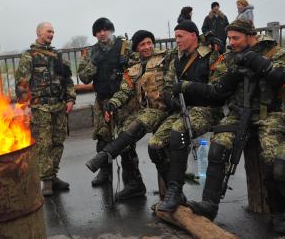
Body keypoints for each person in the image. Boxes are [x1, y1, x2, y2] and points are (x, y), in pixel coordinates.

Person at [174, 20, 285, 234]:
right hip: (238, 113)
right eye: (229, 39)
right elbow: (217, 91)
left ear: (251, 35)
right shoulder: (229, 58)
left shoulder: (274, 51)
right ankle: (209, 205)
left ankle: (279, 212)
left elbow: (280, 78)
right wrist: (232, 75)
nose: (231, 43)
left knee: (274, 162)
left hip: (269, 114)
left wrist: (257, 62)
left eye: (236, 38)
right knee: (217, 146)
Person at [85, 30, 171, 200]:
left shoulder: (166, 58)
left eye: (149, 43)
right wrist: (112, 103)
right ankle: (134, 184)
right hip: (144, 110)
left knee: (153, 142)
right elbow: (124, 90)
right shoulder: (133, 67)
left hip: (164, 110)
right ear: (136, 48)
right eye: (142, 44)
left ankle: (170, 191)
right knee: (124, 134)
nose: (147, 47)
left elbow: (187, 50)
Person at [149, 20, 224, 212]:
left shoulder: (211, 55)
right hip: (182, 109)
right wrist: (171, 99)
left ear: (193, 35)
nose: (177, 41)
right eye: (175, 37)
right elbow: (167, 87)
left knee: (178, 132)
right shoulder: (177, 59)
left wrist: (188, 88)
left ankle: (174, 190)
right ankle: (176, 191)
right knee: (154, 145)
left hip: (206, 109)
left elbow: (218, 91)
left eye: (180, 36)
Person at [15, 22, 76, 197]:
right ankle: (46, 180)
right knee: (44, 144)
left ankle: (53, 175)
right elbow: (21, 84)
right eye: (48, 31)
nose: (51, 34)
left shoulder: (57, 55)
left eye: (53, 32)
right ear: (39, 33)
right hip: (39, 107)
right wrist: (23, 106)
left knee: (58, 142)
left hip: (59, 106)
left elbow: (68, 80)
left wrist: (71, 98)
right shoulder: (29, 57)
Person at [77, 17, 135, 187]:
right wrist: (94, 63)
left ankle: (132, 180)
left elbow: (138, 67)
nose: (102, 34)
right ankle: (104, 173)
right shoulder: (90, 52)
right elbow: (84, 77)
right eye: (98, 31)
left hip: (123, 100)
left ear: (111, 30)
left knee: (126, 139)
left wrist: (128, 63)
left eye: (105, 30)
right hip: (102, 101)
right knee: (103, 138)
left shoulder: (125, 46)